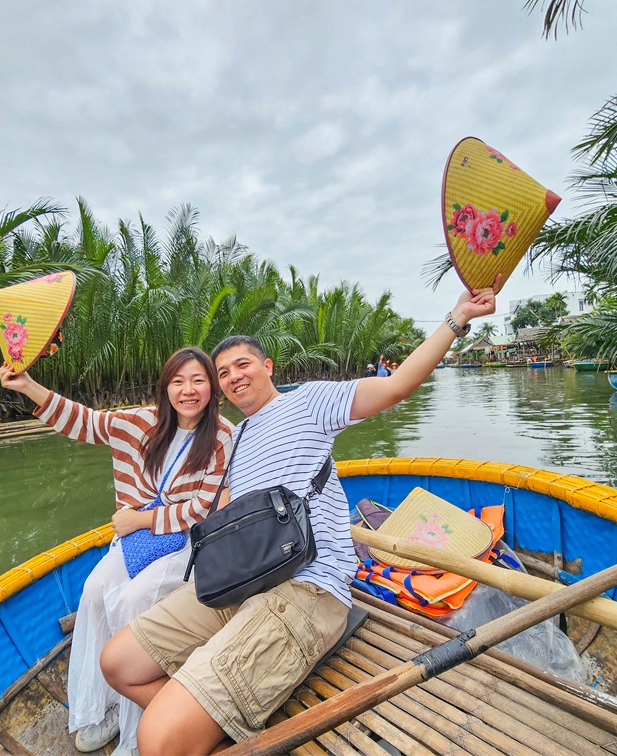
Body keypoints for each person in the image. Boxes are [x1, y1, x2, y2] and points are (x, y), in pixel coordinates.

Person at [98, 276, 502, 756]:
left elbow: (396, 387)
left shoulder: (309, 402)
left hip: (308, 586)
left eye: (242, 364)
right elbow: (223, 509)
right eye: (223, 373)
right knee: (118, 663)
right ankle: (202, 727)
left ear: (267, 367)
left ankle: (183, 729)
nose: (233, 377)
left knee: (158, 739)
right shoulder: (238, 437)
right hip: (245, 580)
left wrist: (457, 319)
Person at [0, 347, 234, 756]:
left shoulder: (222, 436)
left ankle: (138, 728)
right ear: (166, 388)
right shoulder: (141, 423)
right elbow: (84, 422)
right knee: (92, 592)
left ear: (212, 387)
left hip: (186, 542)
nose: (188, 390)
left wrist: (140, 520)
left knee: (134, 601)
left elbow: (205, 507)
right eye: (178, 381)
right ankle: (99, 709)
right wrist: (27, 386)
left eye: (198, 380)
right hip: (137, 542)